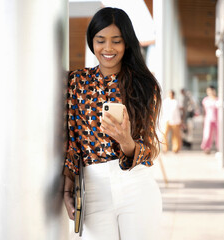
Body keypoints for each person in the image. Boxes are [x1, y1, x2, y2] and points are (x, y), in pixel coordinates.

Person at [63, 7, 162, 240]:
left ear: (126, 43)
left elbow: (150, 148)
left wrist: (126, 142)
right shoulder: (76, 82)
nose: (108, 48)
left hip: (136, 184)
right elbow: (72, 142)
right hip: (92, 187)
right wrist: (68, 184)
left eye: (116, 41)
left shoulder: (144, 85)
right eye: (101, 40)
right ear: (91, 42)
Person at [201, 85, 218, 154]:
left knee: (218, 134)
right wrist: (203, 119)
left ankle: (219, 147)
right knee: (207, 134)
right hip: (208, 119)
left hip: (217, 120)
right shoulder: (205, 100)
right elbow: (204, 111)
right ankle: (207, 148)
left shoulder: (218, 99)